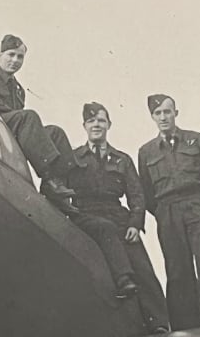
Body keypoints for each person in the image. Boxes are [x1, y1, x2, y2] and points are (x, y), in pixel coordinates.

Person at [66, 102, 169, 334]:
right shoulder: (73, 158)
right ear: (84, 126)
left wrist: (135, 224)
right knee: (104, 231)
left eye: (101, 121)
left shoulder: (122, 159)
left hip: (117, 215)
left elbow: (136, 195)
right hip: (86, 215)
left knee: (143, 268)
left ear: (109, 125)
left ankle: (159, 324)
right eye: (91, 121)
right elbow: (57, 187)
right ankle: (124, 280)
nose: (96, 125)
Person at [138, 94, 200, 330]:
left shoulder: (197, 140)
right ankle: (184, 325)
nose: (164, 117)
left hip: (199, 203)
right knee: (177, 269)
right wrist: (164, 211)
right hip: (167, 210)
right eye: (158, 113)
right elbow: (146, 192)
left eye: (168, 112)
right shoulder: (146, 151)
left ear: (176, 113)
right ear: (152, 117)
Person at [0, 35, 78, 214]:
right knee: (29, 117)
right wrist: (21, 119)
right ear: (0, 54)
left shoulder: (19, 90)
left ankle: (57, 186)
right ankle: (49, 177)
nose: (15, 60)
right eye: (11, 54)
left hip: (11, 129)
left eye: (20, 57)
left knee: (55, 133)